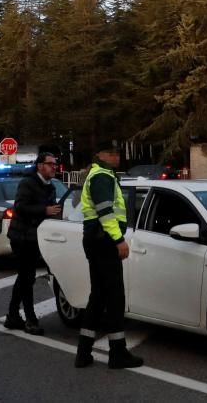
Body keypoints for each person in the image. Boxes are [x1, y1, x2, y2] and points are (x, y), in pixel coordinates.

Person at [74, 141, 143, 370]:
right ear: (100, 155)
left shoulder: (100, 175)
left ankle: (84, 352)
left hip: (96, 241)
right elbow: (105, 212)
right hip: (104, 241)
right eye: (112, 153)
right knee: (115, 298)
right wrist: (118, 239)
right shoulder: (102, 176)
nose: (117, 157)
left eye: (117, 153)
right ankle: (117, 353)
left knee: (98, 296)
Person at [4, 150, 62, 335]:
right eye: (50, 164)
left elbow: (51, 209)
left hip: (36, 237)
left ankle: (12, 315)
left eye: (55, 164)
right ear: (40, 166)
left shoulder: (50, 186)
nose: (54, 167)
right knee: (27, 278)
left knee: (25, 277)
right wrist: (44, 210)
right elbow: (20, 206)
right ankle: (30, 319)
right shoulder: (28, 183)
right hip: (21, 237)